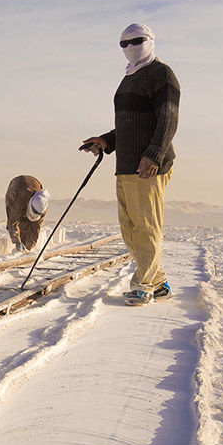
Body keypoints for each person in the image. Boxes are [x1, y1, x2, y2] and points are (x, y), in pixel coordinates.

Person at [82, 23, 179, 306]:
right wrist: (105, 141)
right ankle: (159, 283)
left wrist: (154, 155)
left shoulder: (161, 74)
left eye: (136, 41)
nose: (130, 48)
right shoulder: (129, 77)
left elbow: (168, 118)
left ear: (151, 41)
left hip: (148, 165)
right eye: (123, 44)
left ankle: (144, 285)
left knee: (146, 227)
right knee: (130, 228)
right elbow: (131, 125)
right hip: (126, 165)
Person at [5, 175, 49, 251]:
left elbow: (36, 227)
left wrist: (30, 246)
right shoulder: (18, 202)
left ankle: (25, 247)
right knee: (22, 220)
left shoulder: (42, 208)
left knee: (30, 225)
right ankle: (21, 246)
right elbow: (12, 222)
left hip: (34, 183)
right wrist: (17, 241)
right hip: (16, 187)